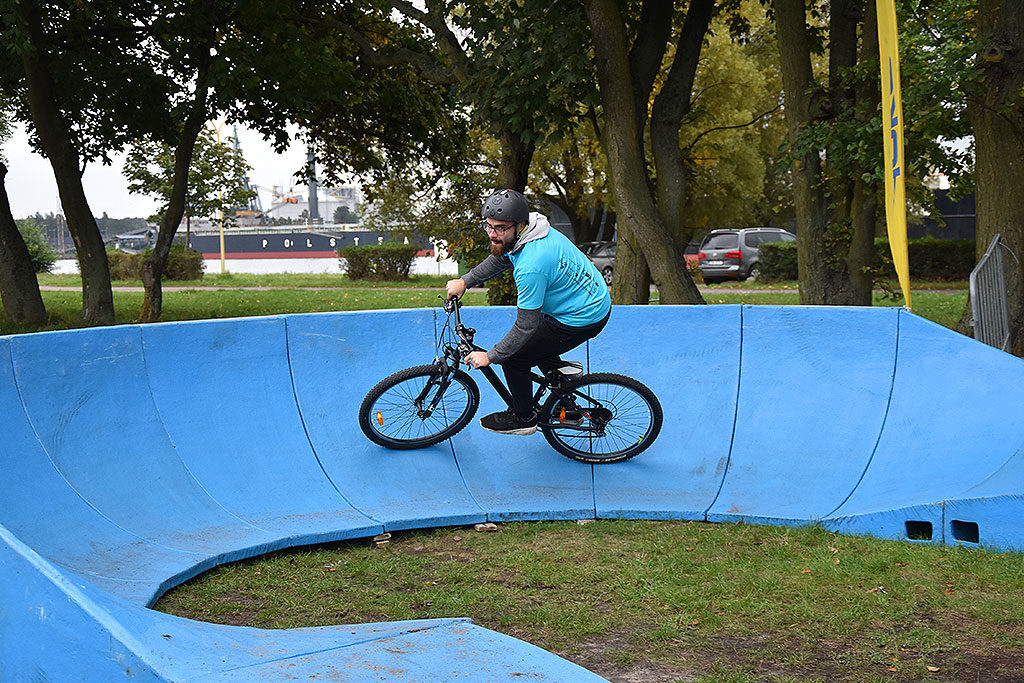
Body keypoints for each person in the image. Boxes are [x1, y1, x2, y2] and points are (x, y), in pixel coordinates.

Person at [445, 189, 612, 435]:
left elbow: (525, 326)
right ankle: (564, 396)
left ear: (519, 225)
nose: (492, 233)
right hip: (584, 298)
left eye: (500, 228)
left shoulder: (532, 265)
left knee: (514, 359)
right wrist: (465, 281)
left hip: (582, 316)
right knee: (534, 345)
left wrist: (490, 356)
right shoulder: (532, 229)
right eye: (488, 226)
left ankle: (523, 418)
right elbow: (502, 257)